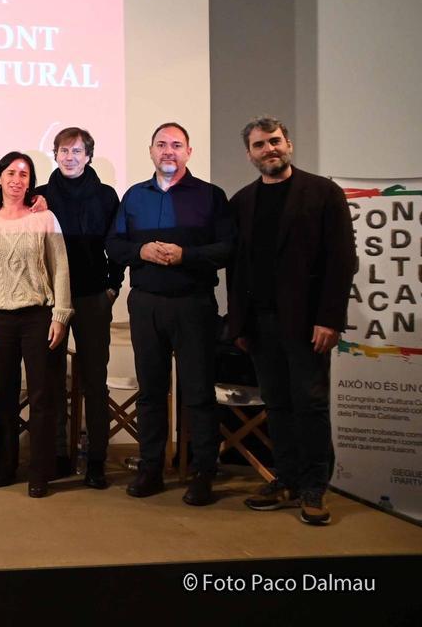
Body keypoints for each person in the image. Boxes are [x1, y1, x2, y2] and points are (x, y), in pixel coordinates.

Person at [228, 117, 355, 526]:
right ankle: (286, 479)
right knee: (277, 405)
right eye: (260, 145)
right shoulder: (242, 202)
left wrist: (329, 318)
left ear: (290, 145)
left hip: (308, 324)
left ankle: (315, 487)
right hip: (261, 324)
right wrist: (240, 325)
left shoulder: (323, 192)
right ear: (249, 154)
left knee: (311, 404)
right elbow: (238, 270)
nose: (270, 149)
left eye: (275, 141)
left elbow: (341, 262)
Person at [107, 122, 234, 506]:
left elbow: (228, 248)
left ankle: (202, 472)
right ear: (150, 151)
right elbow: (114, 244)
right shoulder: (134, 196)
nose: (168, 151)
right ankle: (150, 468)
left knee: (197, 391)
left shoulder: (211, 196)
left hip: (194, 304)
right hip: (146, 303)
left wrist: (187, 255)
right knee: (151, 391)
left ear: (188, 153)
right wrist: (139, 252)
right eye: (161, 145)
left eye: (176, 145)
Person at [0, 152, 72, 497]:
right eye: (11, 172)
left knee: (43, 395)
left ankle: (40, 472)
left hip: (38, 315)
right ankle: (4, 467)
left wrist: (61, 313)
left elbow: (60, 267)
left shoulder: (45, 218)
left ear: (30, 181)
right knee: (3, 395)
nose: (17, 179)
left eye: (25, 174)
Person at [34, 127, 122, 489]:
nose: (70, 157)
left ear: (88, 155)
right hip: (50, 300)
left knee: (94, 380)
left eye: (77, 151)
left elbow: (117, 243)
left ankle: (96, 459)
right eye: (63, 151)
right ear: (54, 155)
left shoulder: (105, 196)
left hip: (91, 298)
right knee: (50, 379)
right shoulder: (40, 196)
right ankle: (57, 455)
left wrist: (112, 287)